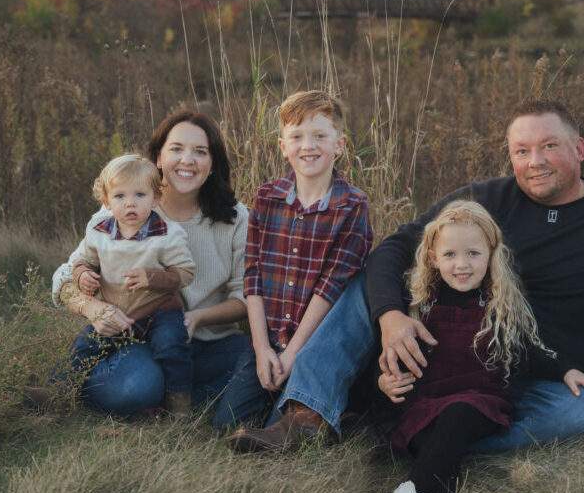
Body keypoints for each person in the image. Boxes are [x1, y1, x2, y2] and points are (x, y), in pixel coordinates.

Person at [369, 99, 584, 453]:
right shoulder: (485, 201)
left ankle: (432, 442)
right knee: (362, 289)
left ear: (579, 149)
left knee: (580, 412)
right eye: (522, 151)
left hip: (552, 380)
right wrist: (390, 317)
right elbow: (393, 249)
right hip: (465, 367)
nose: (535, 161)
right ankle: (328, 409)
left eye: (549, 146)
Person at [368, 201, 584, 493]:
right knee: (432, 438)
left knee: (458, 415)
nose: (462, 264)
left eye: (473, 254)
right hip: (426, 404)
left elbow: (529, 350)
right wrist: (384, 381)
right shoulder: (418, 303)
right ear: (433, 258)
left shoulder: (497, 304)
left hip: (480, 401)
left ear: (491, 255)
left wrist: (566, 370)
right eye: (450, 255)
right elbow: (391, 359)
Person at [46, 111, 251, 415]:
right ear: (158, 158)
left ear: (212, 164)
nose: (187, 160)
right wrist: (93, 308)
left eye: (200, 152)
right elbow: (64, 276)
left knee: (267, 355)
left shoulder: (235, 217)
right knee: (135, 387)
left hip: (205, 342)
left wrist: (197, 319)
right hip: (137, 337)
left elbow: (244, 297)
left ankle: (175, 400)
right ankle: (142, 390)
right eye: (176, 149)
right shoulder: (126, 206)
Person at [219, 90, 373, 450]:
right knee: (227, 421)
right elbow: (253, 276)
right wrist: (262, 348)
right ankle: (302, 401)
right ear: (283, 146)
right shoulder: (267, 197)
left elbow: (331, 287)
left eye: (320, 136)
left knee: (279, 424)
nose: (309, 146)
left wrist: (292, 355)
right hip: (271, 336)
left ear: (339, 145)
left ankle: (321, 409)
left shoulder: (352, 205)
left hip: (313, 343)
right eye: (297, 136)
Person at [58, 154, 196, 415]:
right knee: (84, 346)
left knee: (172, 345)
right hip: (117, 312)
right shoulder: (98, 232)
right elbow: (83, 261)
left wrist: (152, 278)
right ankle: (57, 392)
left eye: (140, 195)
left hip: (159, 310)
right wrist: (83, 274)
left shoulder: (168, 234)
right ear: (106, 202)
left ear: (155, 199)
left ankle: (178, 403)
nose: (130, 203)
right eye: (120, 196)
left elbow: (186, 274)